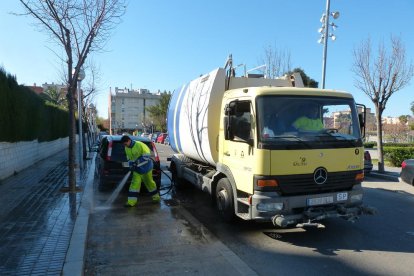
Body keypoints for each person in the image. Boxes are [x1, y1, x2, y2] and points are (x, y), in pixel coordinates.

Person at [121, 135, 160, 207]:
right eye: (124, 144)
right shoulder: (126, 148)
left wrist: (136, 163)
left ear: (129, 140)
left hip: (146, 168)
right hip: (137, 170)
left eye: (125, 144)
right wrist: (130, 164)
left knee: (150, 183)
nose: (125, 146)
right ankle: (131, 202)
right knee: (134, 185)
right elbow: (129, 158)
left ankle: (156, 198)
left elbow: (146, 157)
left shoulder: (140, 145)